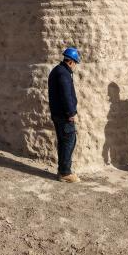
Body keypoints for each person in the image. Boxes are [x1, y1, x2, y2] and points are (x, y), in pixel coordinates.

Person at [48, 47, 81, 182]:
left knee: (64, 141)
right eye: (75, 63)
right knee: (69, 141)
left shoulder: (57, 70)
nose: (75, 66)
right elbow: (66, 95)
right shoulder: (63, 73)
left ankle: (62, 170)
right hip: (64, 115)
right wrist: (70, 113)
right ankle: (65, 173)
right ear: (71, 61)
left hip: (58, 114)